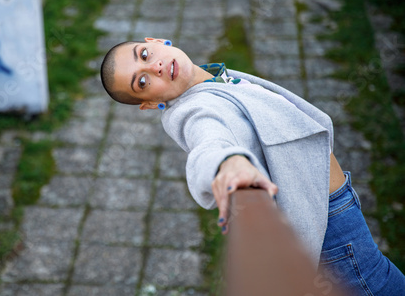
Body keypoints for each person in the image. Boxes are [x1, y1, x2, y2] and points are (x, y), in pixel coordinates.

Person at [100, 37, 405, 295]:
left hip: (334, 203)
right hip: (331, 225)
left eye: (144, 54)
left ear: (155, 41)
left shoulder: (210, 76)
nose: (153, 67)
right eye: (142, 81)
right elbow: (209, 142)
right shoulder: (192, 111)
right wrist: (228, 163)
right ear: (150, 104)